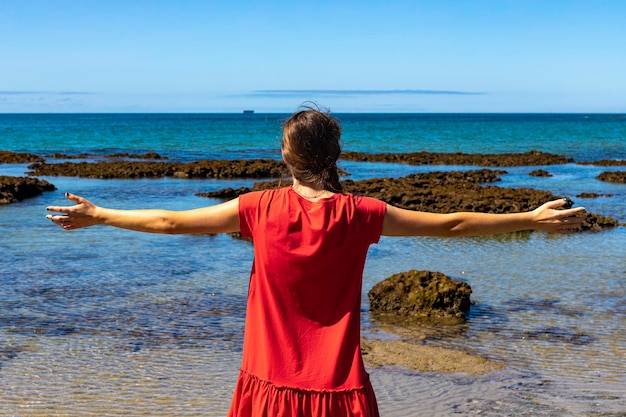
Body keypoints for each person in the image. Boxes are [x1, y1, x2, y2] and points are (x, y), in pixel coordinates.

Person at [46, 107, 586, 417]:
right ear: (336, 155)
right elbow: (451, 223)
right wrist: (530, 218)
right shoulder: (360, 214)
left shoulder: (258, 208)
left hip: (268, 387)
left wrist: (101, 215)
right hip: (340, 391)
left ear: (286, 156)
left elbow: (169, 222)